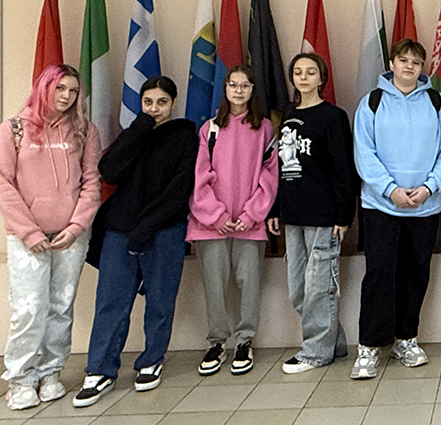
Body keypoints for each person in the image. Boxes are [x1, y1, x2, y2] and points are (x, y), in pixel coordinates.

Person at [73, 76, 198, 407]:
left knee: (160, 300)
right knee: (111, 301)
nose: (154, 108)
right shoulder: (133, 133)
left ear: (173, 103)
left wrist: (148, 225)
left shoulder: (186, 136)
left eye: (161, 102)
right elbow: (109, 171)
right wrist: (141, 128)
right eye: (148, 102)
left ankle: (151, 360)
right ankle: (100, 370)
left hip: (164, 230)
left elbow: (180, 189)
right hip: (120, 230)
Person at [351, 38, 441, 379]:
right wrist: (390, 190)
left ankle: (406, 340)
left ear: (422, 68)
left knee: (416, 274)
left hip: (425, 207)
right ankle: (369, 346)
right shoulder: (372, 102)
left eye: (415, 62)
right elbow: (364, 153)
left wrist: (429, 187)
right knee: (379, 274)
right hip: (381, 207)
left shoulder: (438, 102)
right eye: (403, 60)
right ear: (391, 64)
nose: (409, 66)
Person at [0, 65, 101, 410]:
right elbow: (3, 184)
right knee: (29, 309)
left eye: (73, 91)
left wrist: (75, 227)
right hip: (27, 237)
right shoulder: (13, 129)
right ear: (44, 87)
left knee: (60, 307)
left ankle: (50, 372)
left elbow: (91, 181)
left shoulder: (84, 130)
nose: (67, 96)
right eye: (60, 88)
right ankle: (21, 379)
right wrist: (29, 232)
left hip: (70, 237)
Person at [266, 53, 356, 374]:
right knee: (299, 290)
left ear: (321, 78)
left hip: (324, 216)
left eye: (310, 72)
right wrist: (276, 208)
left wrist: (343, 216)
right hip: (293, 215)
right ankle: (334, 342)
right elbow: (280, 168)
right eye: (298, 72)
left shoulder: (333, 117)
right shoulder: (288, 115)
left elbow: (343, 170)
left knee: (320, 287)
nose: (303, 77)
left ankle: (316, 352)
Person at [188, 66, 278, 376]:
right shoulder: (210, 129)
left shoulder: (264, 128)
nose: (239, 90)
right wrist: (217, 216)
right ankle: (216, 342)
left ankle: (244, 341)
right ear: (225, 88)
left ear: (253, 90)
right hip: (211, 224)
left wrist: (251, 214)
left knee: (249, 284)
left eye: (245, 85)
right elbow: (200, 177)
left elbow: (270, 175)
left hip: (249, 224)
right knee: (214, 286)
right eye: (233, 85)